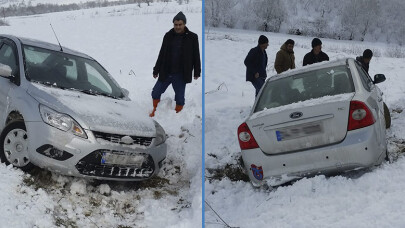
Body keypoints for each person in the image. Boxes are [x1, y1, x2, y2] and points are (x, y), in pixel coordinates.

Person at [150, 11, 201, 117]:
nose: (177, 27)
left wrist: (197, 71)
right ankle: (154, 110)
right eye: (175, 25)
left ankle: (178, 115)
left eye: (180, 24)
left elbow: (196, 55)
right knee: (155, 92)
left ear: (184, 24)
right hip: (166, 71)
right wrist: (156, 69)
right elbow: (161, 53)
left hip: (181, 73)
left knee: (180, 97)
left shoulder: (192, 37)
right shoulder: (168, 36)